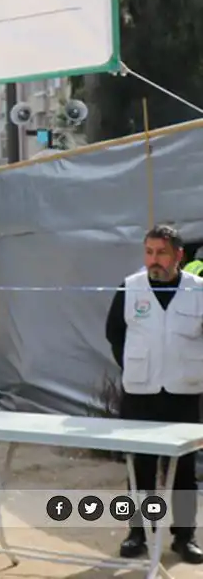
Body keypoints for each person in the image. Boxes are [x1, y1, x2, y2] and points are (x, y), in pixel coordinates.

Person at [106, 224, 203, 563]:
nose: (154, 260)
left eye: (161, 253)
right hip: (140, 393)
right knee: (140, 468)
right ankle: (137, 533)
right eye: (149, 252)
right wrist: (135, 366)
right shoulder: (130, 288)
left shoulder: (199, 290)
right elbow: (114, 333)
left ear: (179, 255)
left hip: (184, 393)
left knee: (184, 471)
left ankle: (184, 537)